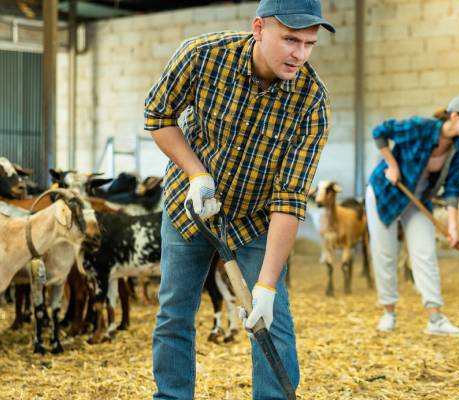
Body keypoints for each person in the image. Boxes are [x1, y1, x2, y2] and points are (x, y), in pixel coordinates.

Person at [144, 1, 334, 398]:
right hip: (190, 208)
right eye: (290, 39)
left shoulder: (311, 103)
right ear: (259, 28)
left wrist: (264, 287)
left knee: (273, 318)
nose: (299, 54)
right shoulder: (202, 56)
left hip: (256, 219)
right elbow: (158, 116)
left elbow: (290, 196)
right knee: (175, 311)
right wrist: (197, 173)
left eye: (309, 43)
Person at [365, 95, 459, 336]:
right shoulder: (419, 127)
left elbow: (453, 187)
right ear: (454, 116)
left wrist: (453, 228)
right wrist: (392, 165)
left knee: (425, 252)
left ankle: (435, 319)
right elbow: (380, 131)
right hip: (387, 192)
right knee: (386, 252)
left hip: (418, 199)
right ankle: (388, 313)